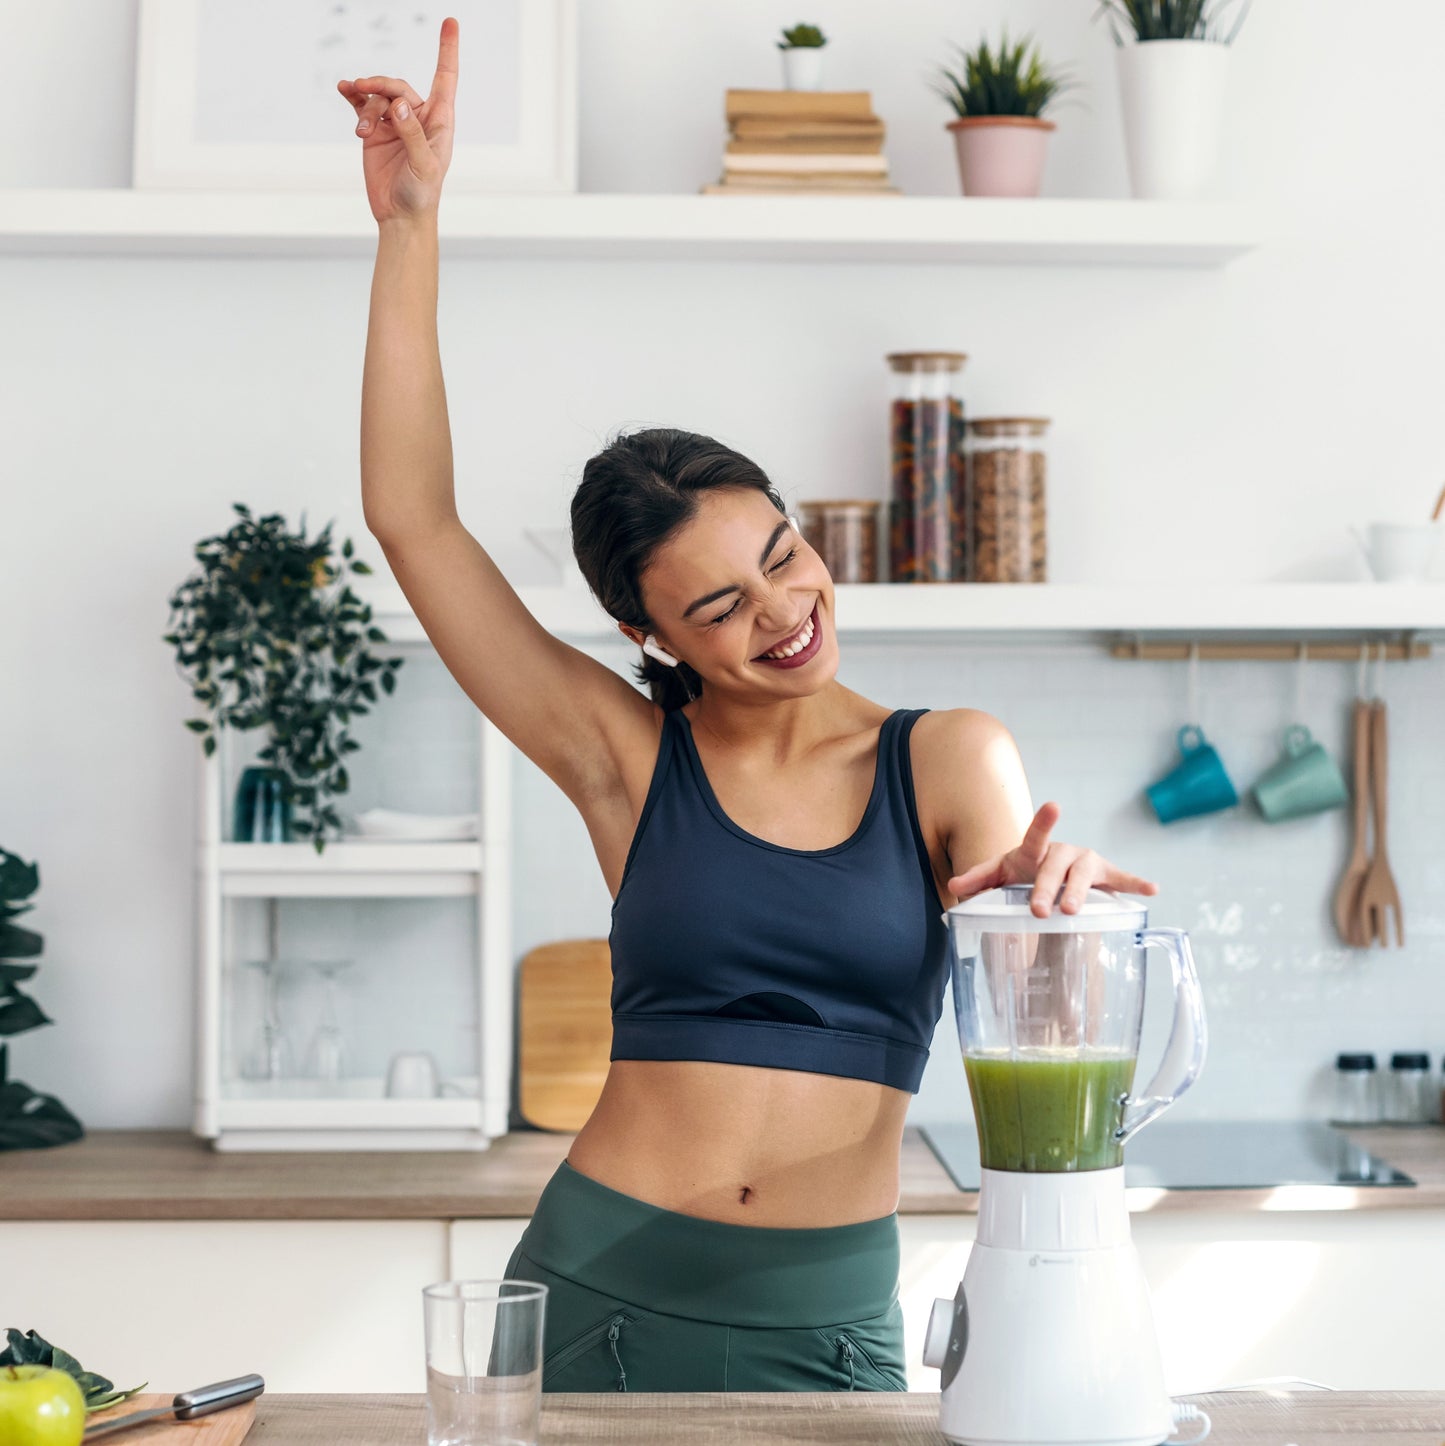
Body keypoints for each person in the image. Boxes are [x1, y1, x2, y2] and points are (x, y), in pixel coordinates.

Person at [339, 18, 1157, 1394]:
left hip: (823, 1325)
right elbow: (412, 519)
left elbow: (1053, 1080)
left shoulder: (951, 757)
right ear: (644, 632)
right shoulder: (623, 758)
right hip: (593, 1292)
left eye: (779, 556)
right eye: (716, 607)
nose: (781, 613)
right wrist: (411, 224)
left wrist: (1041, 914)